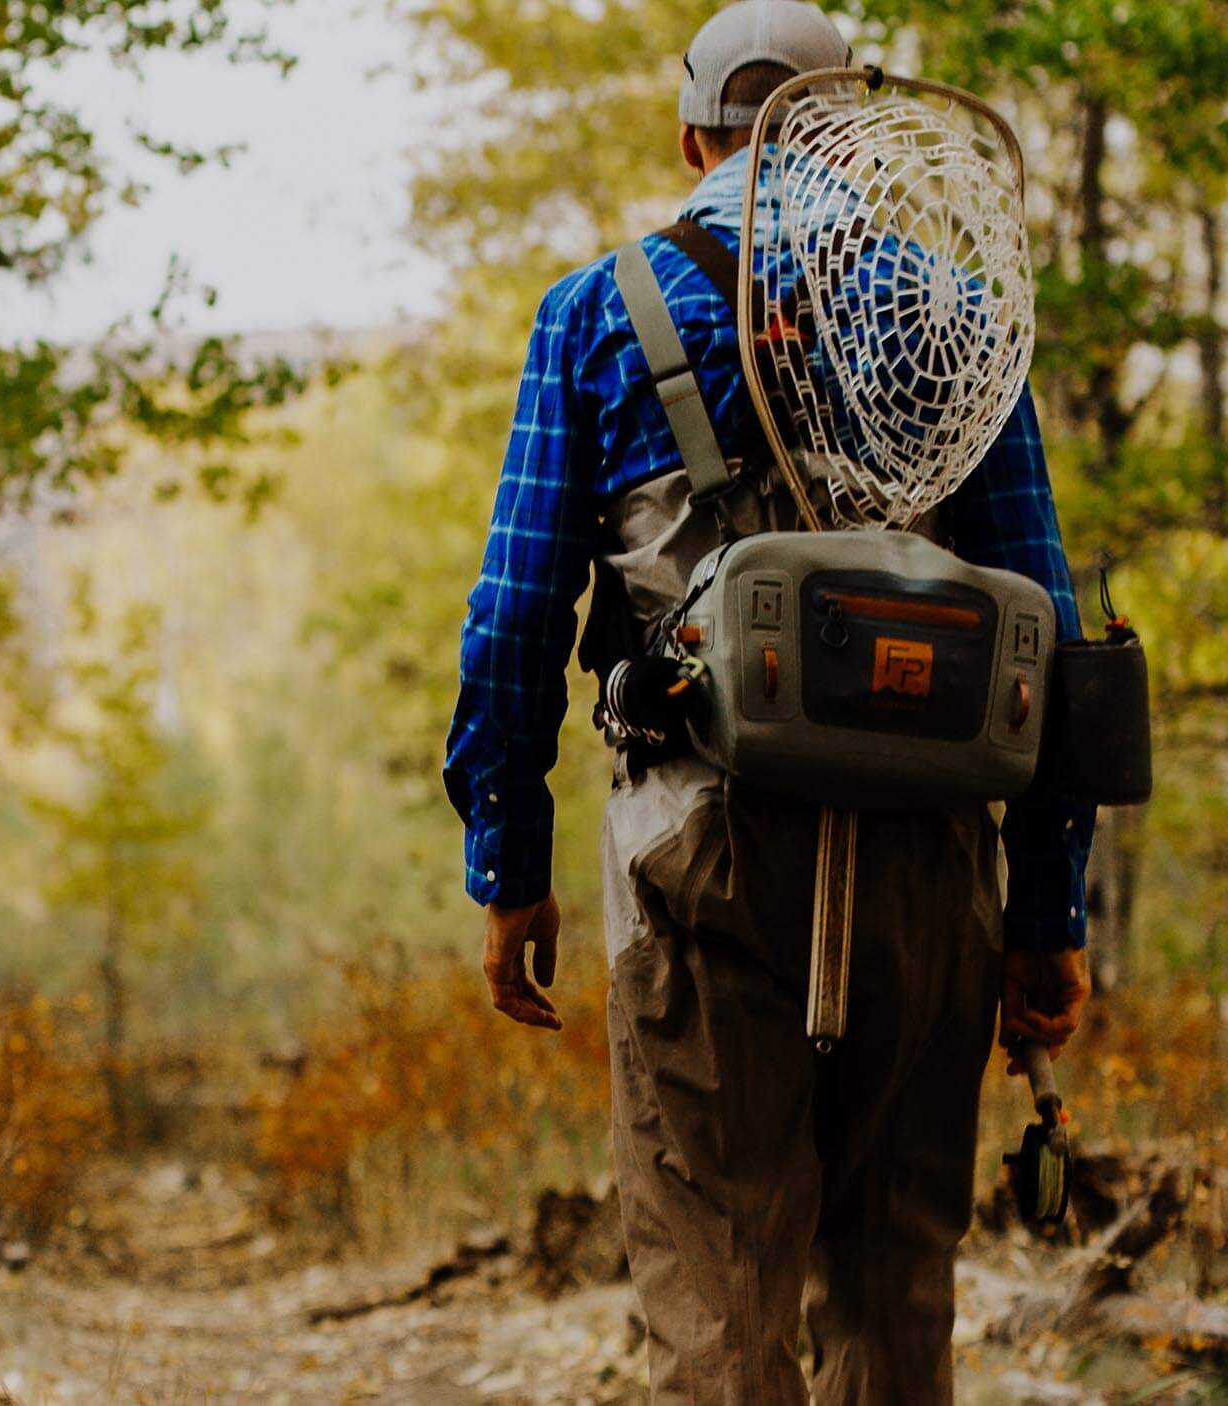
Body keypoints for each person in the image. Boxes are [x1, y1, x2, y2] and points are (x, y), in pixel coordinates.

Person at [440, 4, 1097, 1401]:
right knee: (894, 1278)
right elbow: (1049, 619)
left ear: (691, 136)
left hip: (703, 854)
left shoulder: (596, 312)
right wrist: (1047, 914)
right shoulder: (953, 314)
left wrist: (506, 868)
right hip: (931, 860)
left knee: (719, 1277)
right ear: (843, 136)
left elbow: (510, 624)